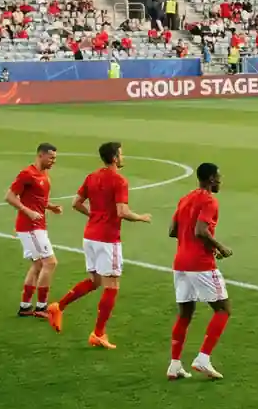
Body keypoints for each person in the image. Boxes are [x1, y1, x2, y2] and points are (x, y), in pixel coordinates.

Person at [46, 141, 153, 347]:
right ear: (114, 158)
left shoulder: (92, 176)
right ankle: (98, 333)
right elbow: (122, 212)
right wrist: (140, 217)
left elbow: (76, 203)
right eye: (121, 154)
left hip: (90, 237)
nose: (123, 157)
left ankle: (58, 307)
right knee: (111, 285)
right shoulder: (119, 181)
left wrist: (94, 216)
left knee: (95, 281)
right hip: (107, 239)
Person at [168, 162, 232, 381]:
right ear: (211, 179)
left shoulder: (184, 198)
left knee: (185, 314)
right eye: (219, 177)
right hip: (200, 264)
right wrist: (219, 247)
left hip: (180, 263)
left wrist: (190, 243)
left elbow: (173, 230)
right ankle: (203, 359)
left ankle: (175, 364)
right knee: (223, 309)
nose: (220, 180)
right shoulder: (209, 200)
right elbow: (200, 230)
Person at [5, 142, 63, 317]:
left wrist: (50, 207)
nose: (54, 161)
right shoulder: (27, 174)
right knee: (50, 263)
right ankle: (41, 308)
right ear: (41, 155)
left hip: (38, 225)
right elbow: (9, 196)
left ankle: (25, 307)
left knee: (38, 264)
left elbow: (38, 199)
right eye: (51, 158)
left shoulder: (44, 175)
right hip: (30, 226)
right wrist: (28, 211)